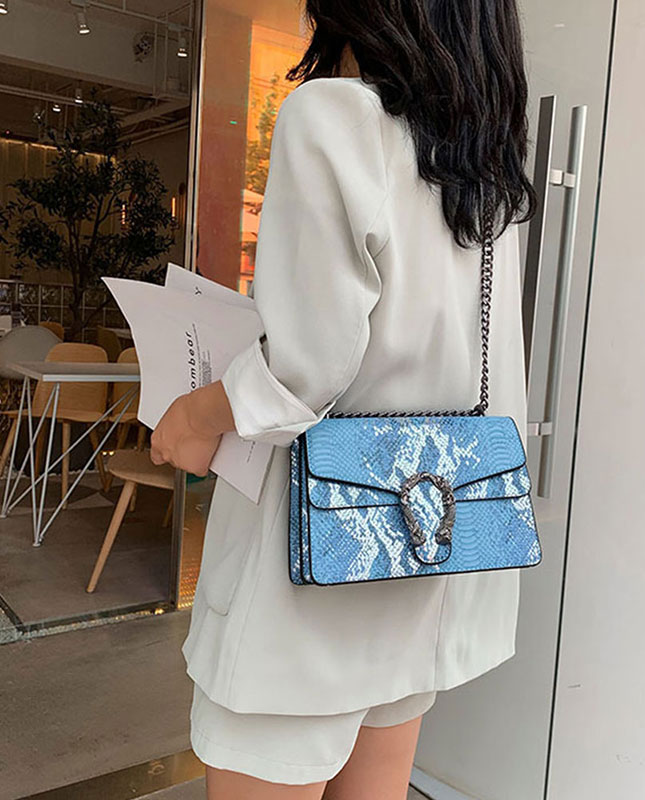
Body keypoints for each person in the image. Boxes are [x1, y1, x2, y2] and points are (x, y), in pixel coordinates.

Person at [151, 1, 536, 797]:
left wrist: (194, 415)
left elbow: (303, 368)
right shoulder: (482, 167)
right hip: (424, 552)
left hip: (313, 561)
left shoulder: (334, 117)